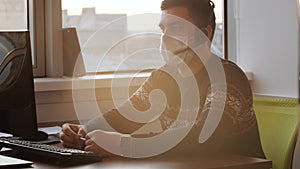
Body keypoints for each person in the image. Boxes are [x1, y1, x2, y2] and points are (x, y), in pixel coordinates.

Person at [60, 0, 265, 158]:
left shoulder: (227, 78)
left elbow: (205, 138)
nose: (165, 37)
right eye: (163, 28)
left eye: (176, 28)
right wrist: (85, 130)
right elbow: (124, 116)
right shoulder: (163, 77)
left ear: (204, 34)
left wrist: (124, 145)